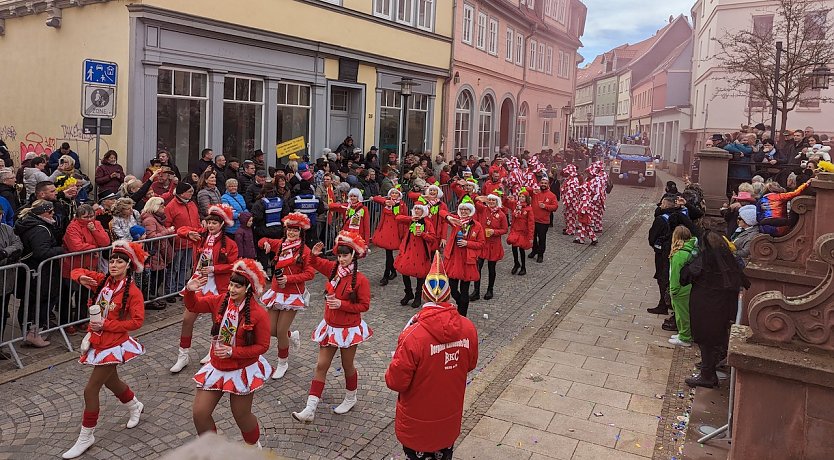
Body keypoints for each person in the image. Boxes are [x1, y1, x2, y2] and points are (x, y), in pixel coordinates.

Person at [385, 251, 478, 460]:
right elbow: (469, 364)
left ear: (424, 295)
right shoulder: (468, 328)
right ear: (448, 296)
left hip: (417, 421)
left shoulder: (413, 334)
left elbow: (396, 381)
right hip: (448, 418)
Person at [61, 241, 147, 459]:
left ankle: (86, 436)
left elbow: (137, 321)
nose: (114, 265)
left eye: (120, 262)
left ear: (129, 265)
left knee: (90, 389)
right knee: (112, 382)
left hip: (114, 344)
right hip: (98, 341)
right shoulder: (102, 282)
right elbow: (76, 270)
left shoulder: (133, 292)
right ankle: (135, 405)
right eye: (112, 260)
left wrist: (107, 325)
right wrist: (80, 278)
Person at [186, 259, 272, 448]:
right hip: (217, 365)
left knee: (241, 416)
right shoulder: (220, 301)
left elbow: (263, 346)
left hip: (241, 368)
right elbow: (194, 306)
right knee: (200, 413)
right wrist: (190, 291)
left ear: (248, 288)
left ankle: (253, 447)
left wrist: (234, 352)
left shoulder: (259, 314)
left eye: (237, 286)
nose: (232, 289)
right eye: (231, 285)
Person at [292, 231, 372, 423]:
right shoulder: (333, 269)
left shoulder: (361, 280)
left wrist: (342, 305)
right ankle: (310, 408)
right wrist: (314, 254)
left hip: (348, 328)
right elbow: (315, 263)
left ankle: (351, 397)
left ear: (353, 255)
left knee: (347, 365)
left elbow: (364, 306)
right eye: (339, 255)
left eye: (345, 255)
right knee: (321, 365)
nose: (341, 259)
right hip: (330, 326)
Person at [171, 204, 239, 373]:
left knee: (217, 321)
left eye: (214, 223)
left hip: (218, 285)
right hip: (199, 282)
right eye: (209, 222)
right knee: (187, 319)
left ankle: (212, 351)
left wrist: (215, 269)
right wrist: (188, 233)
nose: (210, 226)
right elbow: (180, 230)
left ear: (222, 224)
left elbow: (233, 265)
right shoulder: (200, 237)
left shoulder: (230, 243)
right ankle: (183, 355)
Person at [681, 231, 749, 388]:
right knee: (714, 339)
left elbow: (685, 276)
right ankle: (710, 366)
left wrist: (691, 259)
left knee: (706, 340)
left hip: (706, 306)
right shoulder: (727, 259)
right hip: (723, 307)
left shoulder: (706, 259)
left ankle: (707, 374)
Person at [258, 213, 315, 379]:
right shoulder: (281, 244)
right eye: (289, 230)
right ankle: (292, 335)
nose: (291, 233)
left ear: (300, 232)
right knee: (270, 329)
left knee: (281, 331)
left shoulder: (305, 250)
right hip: (276, 292)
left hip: (292, 294)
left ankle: (282, 362)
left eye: (295, 231)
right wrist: (266, 244)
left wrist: (289, 279)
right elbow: (261, 240)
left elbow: (310, 273)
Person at [15, 200, 65, 347]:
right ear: (43, 213)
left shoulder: (31, 224)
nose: (53, 214)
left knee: (31, 302)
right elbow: (42, 252)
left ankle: (31, 332)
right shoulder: (40, 229)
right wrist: (61, 249)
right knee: (38, 302)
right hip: (39, 272)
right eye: (50, 212)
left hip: (34, 271)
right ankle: (32, 333)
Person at [60, 204, 112, 329]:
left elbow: (105, 242)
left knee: (85, 294)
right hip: (73, 266)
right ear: (78, 217)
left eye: (91, 216)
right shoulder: (73, 227)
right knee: (69, 294)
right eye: (85, 217)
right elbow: (76, 247)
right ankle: (66, 323)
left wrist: (94, 230)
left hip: (90, 266)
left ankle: (81, 319)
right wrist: (94, 247)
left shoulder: (96, 224)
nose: (89, 219)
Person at [441, 203, 485, 317]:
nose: (464, 211)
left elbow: (481, 243)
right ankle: (461, 303)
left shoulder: (477, 225)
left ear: (471, 211)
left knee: (465, 289)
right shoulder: (456, 221)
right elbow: (441, 212)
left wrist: (467, 243)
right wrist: (449, 217)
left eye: (466, 209)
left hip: (467, 260)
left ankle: (462, 315)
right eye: (462, 209)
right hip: (454, 259)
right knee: (453, 288)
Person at [394, 204, 437, 308]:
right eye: (416, 209)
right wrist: (410, 218)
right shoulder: (410, 221)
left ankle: (418, 295)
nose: (417, 211)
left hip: (421, 251)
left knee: (420, 274)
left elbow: (433, 238)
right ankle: (408, 293)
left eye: (419, 209)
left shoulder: (427, 223)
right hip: (408, 250)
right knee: (404, 270)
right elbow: (397, 218)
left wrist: (423, 234)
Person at [165, 183, 201, 301]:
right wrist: (174, 238)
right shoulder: (171, 206)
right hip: (178, 242)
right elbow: (167, 224)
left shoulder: (191, 204)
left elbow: (196, 219)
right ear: (181, 193)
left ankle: (181, 289)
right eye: (189, 191)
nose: (192, 193)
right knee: (174, 267)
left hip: (191, 241)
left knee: (184, 267)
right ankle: (170, 291)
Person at [140, 197, 176, 310]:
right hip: (154, 252)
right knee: (155, 277)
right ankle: (150, 300)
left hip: (160, 251)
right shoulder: (150, 220)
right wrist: (167, 231)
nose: (163, 207)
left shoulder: (156, 218)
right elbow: (152, 237)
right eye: (161, 205)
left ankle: (153, 298)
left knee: (159, 276)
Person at [471, 194, 507, 301]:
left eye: (493, 200)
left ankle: (490, 290)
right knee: (478, 267)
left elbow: (505, 229)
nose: (491, 202)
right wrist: (478, 198)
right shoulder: (483, 209)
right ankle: (476, 291)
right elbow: (474, 202)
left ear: (497, 202)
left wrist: (494, 232)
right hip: (482, 243)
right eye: (489, 200)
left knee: (491, 268)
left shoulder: (501, 215)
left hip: (494, 244)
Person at [371, 187, 408, 286]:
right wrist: (386, 201)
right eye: (392, 193)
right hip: (386, 230)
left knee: (389, 254)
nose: (394, 195)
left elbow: (405, 219)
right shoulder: (387, 203)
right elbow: (376, 198)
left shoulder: (401, 205)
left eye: (396, 193)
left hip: (395, 231)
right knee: (388, 253)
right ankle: (392, 271)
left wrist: (404, 234)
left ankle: (386, 275)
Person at [668, 226, 696, 348]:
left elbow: (675, 274)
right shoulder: (692, 249)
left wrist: (673, 290)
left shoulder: (679, 254)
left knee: (682, 313)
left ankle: (685, 337)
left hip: (681, 288)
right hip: (690, 286)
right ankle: (683, 333)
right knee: (686, 311)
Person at [251, 183, 287, 270]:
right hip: (278, 232)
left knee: (263, 255)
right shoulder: (281, 200)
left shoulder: (260, 202)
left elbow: (257, 217)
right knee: (275, 254)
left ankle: (263, 276)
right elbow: (285, 214)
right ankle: (275, 275)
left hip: (263, 233)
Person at [505, 189, 535, 276]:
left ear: (526, 198)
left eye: (523, 197)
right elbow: (505, 203)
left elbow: (531, 224)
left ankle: (523, 267)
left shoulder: (529, 209)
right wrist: (506, 197)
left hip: (523, 232)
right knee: (514, 247)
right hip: (515, 230)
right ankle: (516, 263)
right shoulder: (515, 205)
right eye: (520, 196)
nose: (521, 198)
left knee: (521, 249)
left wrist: (530, 237)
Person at [528, 178, 559, 262]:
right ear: (539, 183)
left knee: (542, 239)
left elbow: (555, 207)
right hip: (533, 220)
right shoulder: (536, 192)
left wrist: (545, 206)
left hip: (543, 222)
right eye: (542, 183)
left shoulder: (552, 195)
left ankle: (540, 254)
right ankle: (534, 250)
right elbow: (525, 189)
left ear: (548, 185)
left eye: (545, 183)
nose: (543, 184)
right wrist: (533, 189)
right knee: (533, 238)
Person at [560, 165, 580, 236]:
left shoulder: (573, 181)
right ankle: (569, 227)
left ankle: (570, 230)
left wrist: (567, 203)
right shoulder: (570, 179)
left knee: (570, 216)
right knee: (567, 215)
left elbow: (571, 193)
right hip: (569, 201)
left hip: (571, 203)